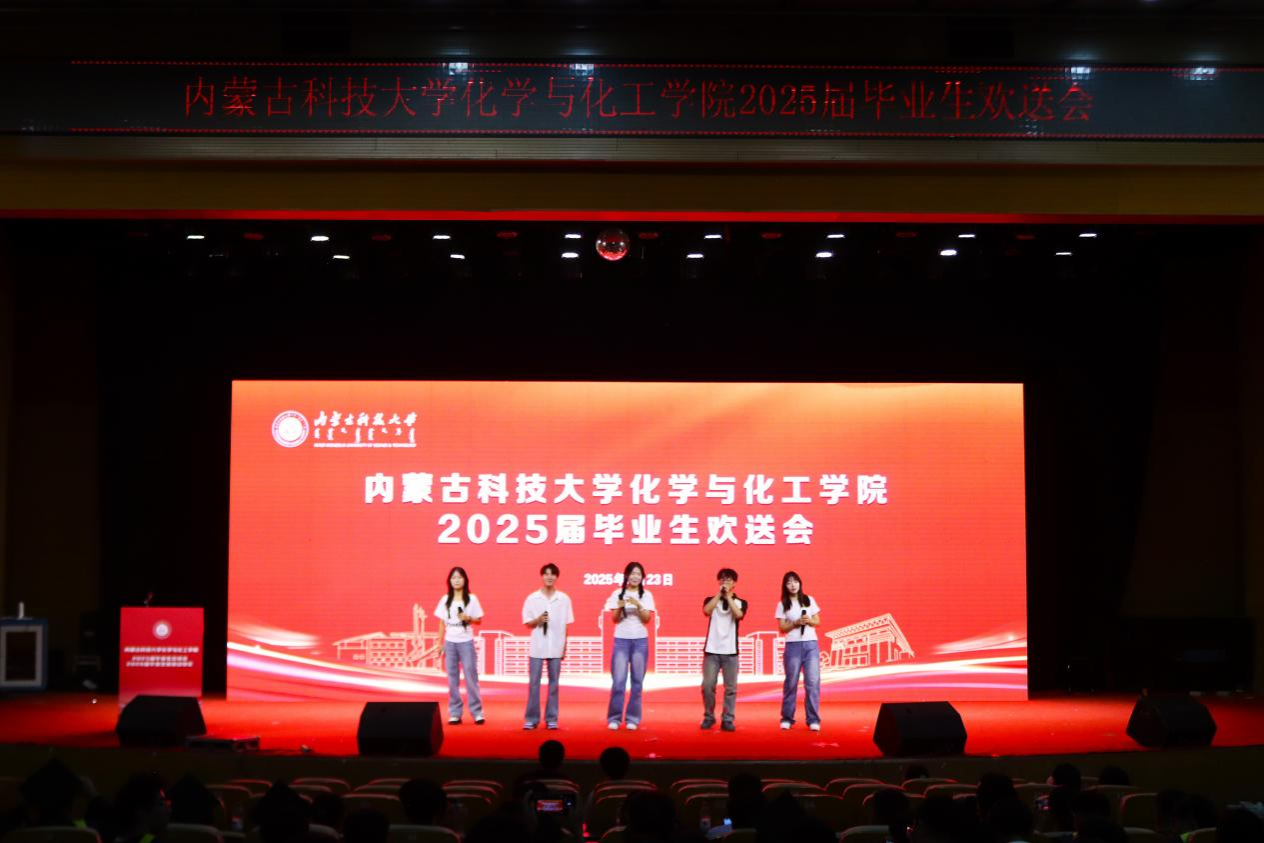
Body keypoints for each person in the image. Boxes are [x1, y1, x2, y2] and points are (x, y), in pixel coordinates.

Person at [605, 561, 656, 730]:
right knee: (618, 681)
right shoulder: (617, 593)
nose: (635, 577)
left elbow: (647, 619)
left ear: (642, 577)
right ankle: (614, 718)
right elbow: (614, 619)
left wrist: (638, 604)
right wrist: (620, 608)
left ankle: (632, 719)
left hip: (640, 641)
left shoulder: (646, 595)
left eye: (638, 574)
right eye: (632, 573)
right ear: (626, 575)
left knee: (637, 682)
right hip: (621, 640)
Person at [523, 563, 575, 730]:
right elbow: (528, 623)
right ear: (542, 576)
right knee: (534, 684)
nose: (549, 577)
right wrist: (538, 620)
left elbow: (566, 624)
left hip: (556, 646)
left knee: (554, 684)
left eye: (552, 574)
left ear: (556, 577)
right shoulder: (532, 598)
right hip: (537, 647)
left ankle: (551, 718)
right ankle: (531, 718)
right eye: (546, 574)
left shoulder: (564, 599)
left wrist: (564, 646)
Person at [436, 565, 485, 725]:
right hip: (450, 642)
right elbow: (442, 623)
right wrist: (439, 643)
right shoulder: (445, 599)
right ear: (449, 581)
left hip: (466, 642)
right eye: (453, 578)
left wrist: (468, 618)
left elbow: (479, 620)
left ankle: (477, 712)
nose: (456, 580)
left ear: (465, 580)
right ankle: (455, 713)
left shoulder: (472, 598)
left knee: (471, 677)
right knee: (452, 679)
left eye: (459, 577)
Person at [700, 567, 747, 732]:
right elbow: (706, 611)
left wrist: (728, 597)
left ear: (734, 583)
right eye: (722, 579)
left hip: (730, 651)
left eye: (728, 579)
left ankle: (727, 719)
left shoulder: (740, 602)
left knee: (731, 688)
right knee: (707, 686)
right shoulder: (711, 600)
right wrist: (720, 595)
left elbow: (739, 614)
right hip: (712, 651)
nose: (725, 582)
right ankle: (709, 717)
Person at [775, 570, 821, 731]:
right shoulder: (783, 604)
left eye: (795, 581)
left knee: (812, 682)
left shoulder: (809, 599)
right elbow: (782, 628)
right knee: (791, 682)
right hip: (793, 645)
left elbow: (817, 621)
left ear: (800, 583)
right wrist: (795, 623)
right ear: (785, 586)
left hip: (810, 645)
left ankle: (813, 719)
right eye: (789, 582)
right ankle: (787, 718)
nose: (792, 585)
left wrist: (808, 620)